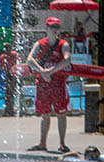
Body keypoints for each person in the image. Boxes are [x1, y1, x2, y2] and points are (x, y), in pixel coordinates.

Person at [26, 17, 72, 153]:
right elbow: (29, 59)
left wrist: (51, 71)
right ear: (46, 28)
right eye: (51, 26)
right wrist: (42, 72)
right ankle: (42, 143)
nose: (54, 29)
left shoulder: (63, 44)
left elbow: (67, 59)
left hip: (58, 84)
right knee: (44, 114)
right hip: (43, 84)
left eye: (56, 26)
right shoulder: (39, 44)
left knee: (61, 114)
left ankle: (62, 143)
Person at [0, 44, 20, 115]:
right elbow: (1, 66)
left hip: (12, 74)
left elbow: (1, 67)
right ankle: (8, 109)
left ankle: (10, 109)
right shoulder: (4, 56)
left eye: (7, 48)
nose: (7, 49)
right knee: (8, 92)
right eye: (6, 48)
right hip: (9, 75)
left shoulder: (13, 54)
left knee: (11, 92)